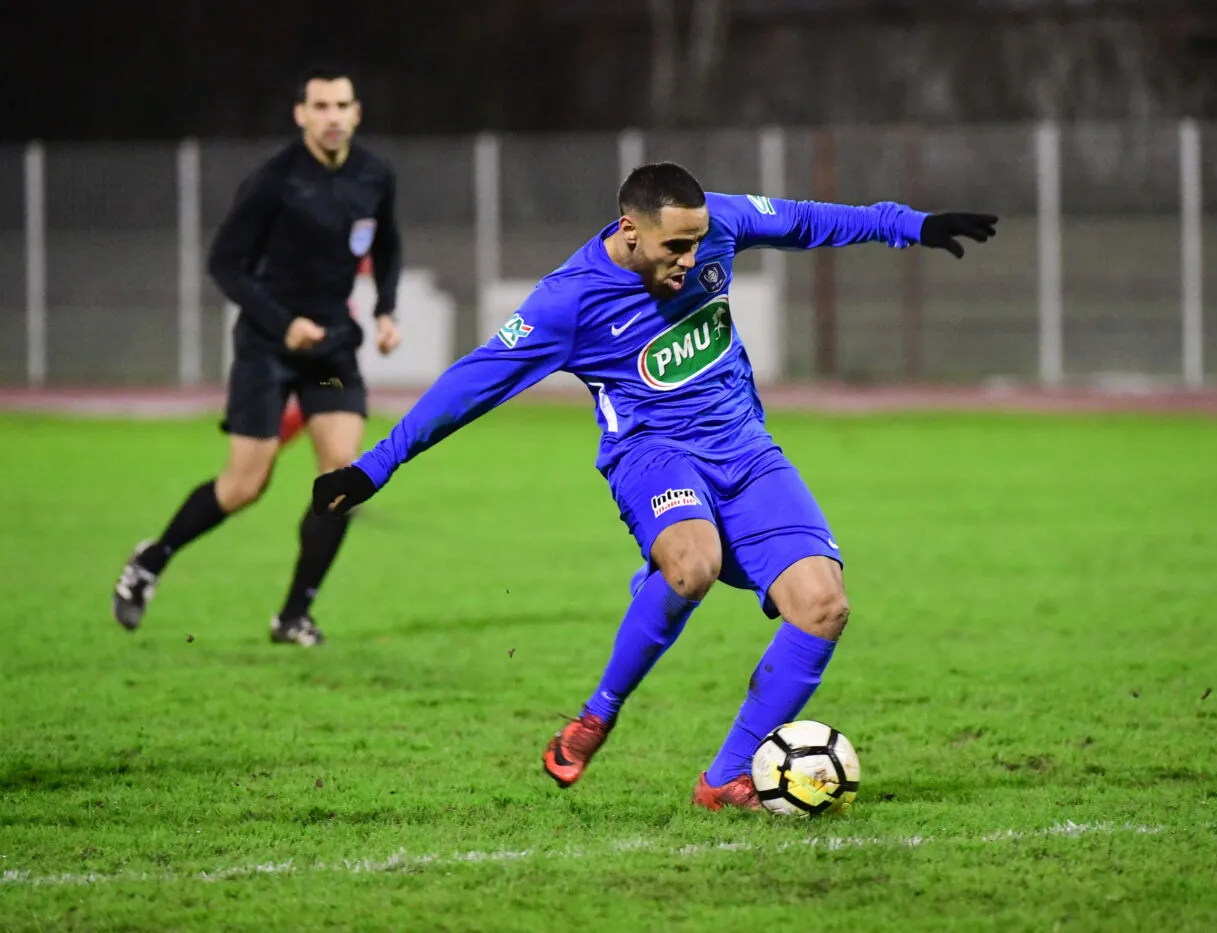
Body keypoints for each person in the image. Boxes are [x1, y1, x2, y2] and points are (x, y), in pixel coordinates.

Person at [312, 162, 996, 806]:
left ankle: (726, 777)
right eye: (675, 246)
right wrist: (377, 463)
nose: (692, 260)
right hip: (652, 455)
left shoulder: (714, 223)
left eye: (699, 244)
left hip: (745, 450)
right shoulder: (568, 301)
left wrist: (913, 225)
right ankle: (597, 714)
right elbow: (474, 380)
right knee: (692, 564)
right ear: (629, 232)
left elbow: (808, 220)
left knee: (823, 605)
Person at [112, 64, 403, 646]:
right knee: (246, 484)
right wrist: (281, 322)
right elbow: (225, 263)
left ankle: (293, 615)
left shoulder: (374, 174)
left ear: (356, 113)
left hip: (329, 353)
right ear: (301, 114)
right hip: (267, 350)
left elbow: (388, 244)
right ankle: (152, 558)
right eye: (319, 106)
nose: (331, 117)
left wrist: (384, 310)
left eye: (341, 105)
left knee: (342, 478)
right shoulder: (274, 180)